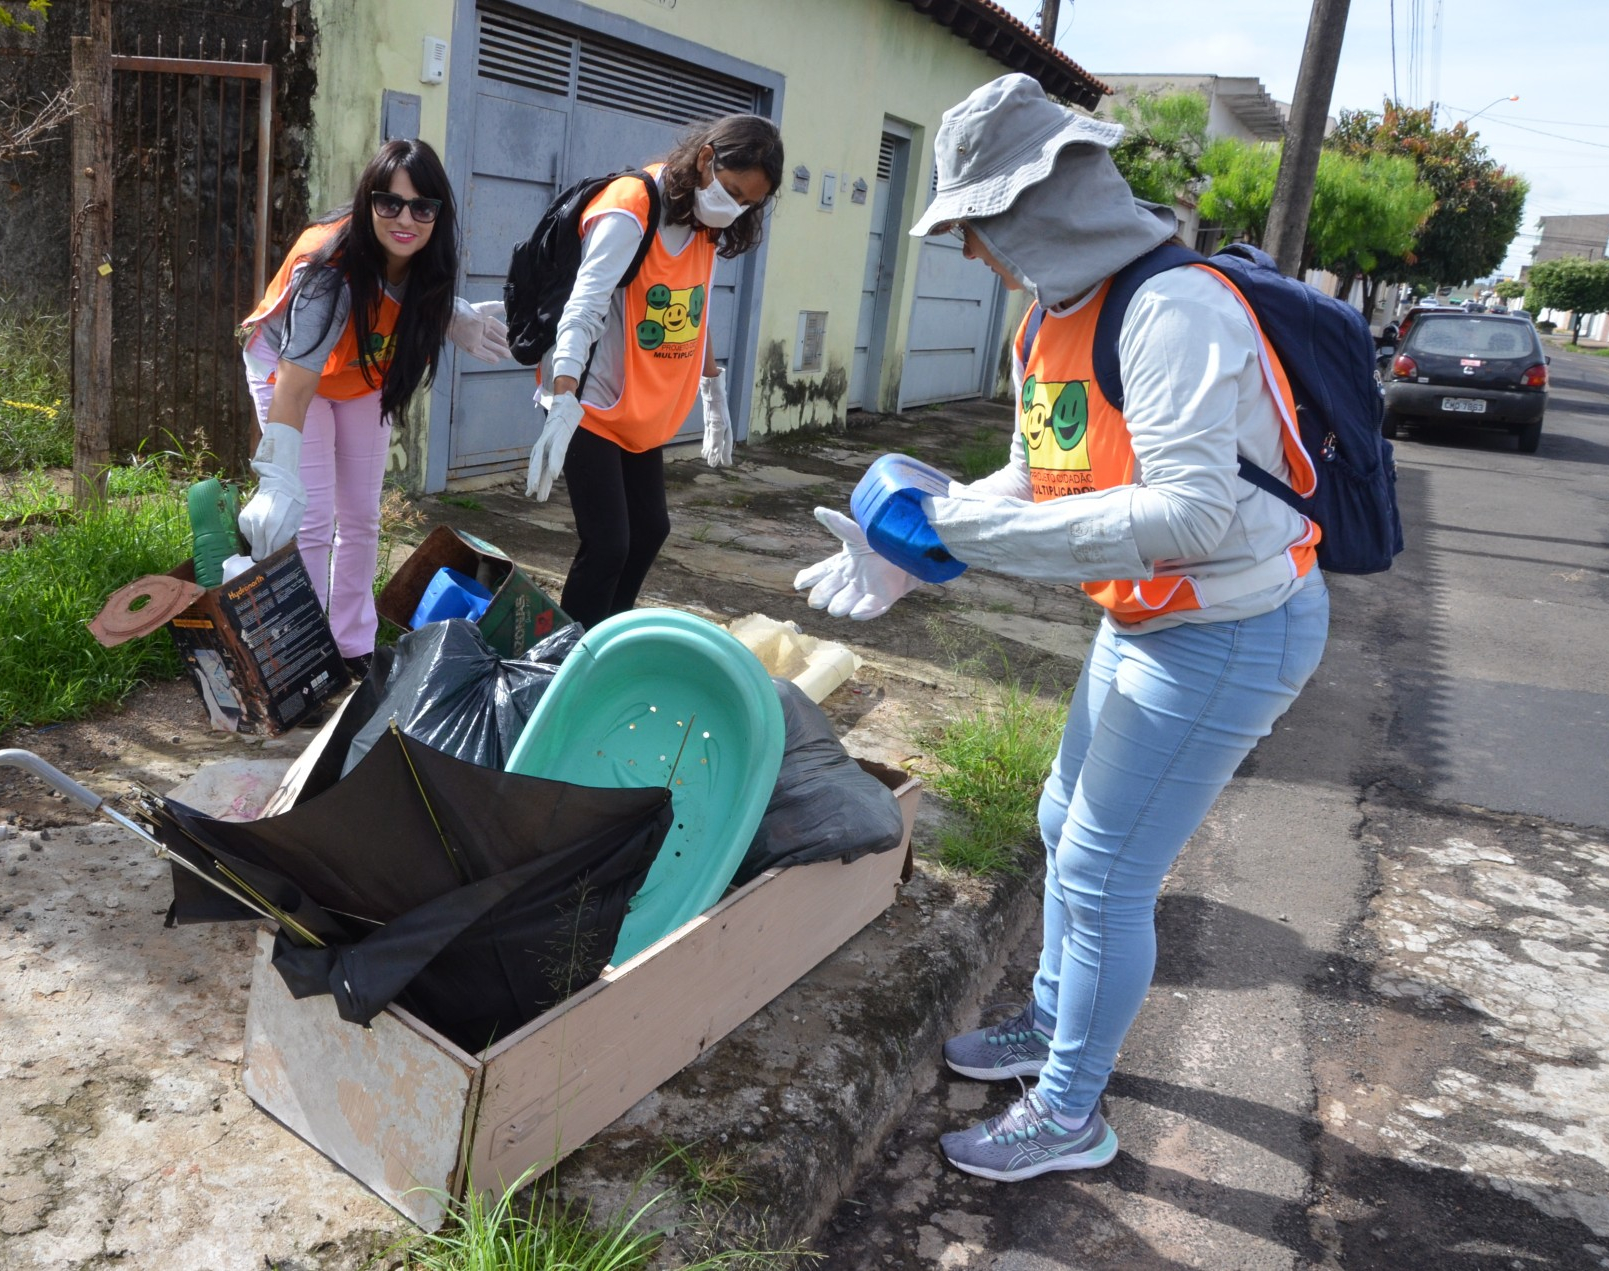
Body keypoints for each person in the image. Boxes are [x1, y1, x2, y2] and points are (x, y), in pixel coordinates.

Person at [794, 75, 1330, 1182]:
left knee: (1101, 871)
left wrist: (966, 538)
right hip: (1144, 620)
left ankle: (1070, 1111)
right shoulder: (1051, 317)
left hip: (1232, 625)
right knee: (1059, 817)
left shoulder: (1175, 308)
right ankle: (1051, 1023)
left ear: (1037, 206)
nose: (969, 255)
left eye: (975, 227)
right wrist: (917, 551)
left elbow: (1191, 513)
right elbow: (1042, 475)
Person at [236, 138, 508, 677]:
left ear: (438, 214)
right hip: (290, 373)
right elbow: (294, 382)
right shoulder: (329, 271)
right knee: (309, 519)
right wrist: (276, 476)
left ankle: (352, 645)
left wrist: (451, 313)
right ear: (368, 202)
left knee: (360, 518)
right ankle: (304, 657)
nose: (406, 219)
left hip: (360, 377)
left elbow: (408, 292)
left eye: (422, 207)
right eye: (390, 203)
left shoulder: (430, 261)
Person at [525, 114, 784, 629]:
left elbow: (696, 309)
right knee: (608, 544)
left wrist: (714, 395)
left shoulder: (707, 223)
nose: (736, 209)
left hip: (642, 416)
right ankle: (561, 666)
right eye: (733, 191)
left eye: (749, 203)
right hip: (591, 403)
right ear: (706, 160)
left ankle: (606, 646)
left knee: (649, 532)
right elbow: (584, 306)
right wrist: (562, 399)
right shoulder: (631, 207)